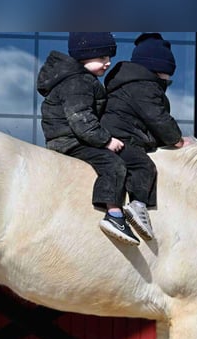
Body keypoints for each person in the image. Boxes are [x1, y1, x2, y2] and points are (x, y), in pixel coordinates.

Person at [36, 32, 141, 245]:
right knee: (113, 164)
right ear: (85, 56)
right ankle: (114, 215)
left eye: (109, 58)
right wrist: (106, 141)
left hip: (66, 139)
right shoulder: (79, 82)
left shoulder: (75, 79)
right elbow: (80, 119)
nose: (108, 63)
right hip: (71, 141)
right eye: (102, 58)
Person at [101, 32, 193, 241]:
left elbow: (148, 124)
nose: (166, 85)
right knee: (144, 166)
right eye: (166, 80)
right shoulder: (144, 87)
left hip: (123, 134)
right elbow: (157, 118)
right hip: (122, 138)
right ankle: (137, 206)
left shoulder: (130, 84)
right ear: (157, 72)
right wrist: (176, 140)